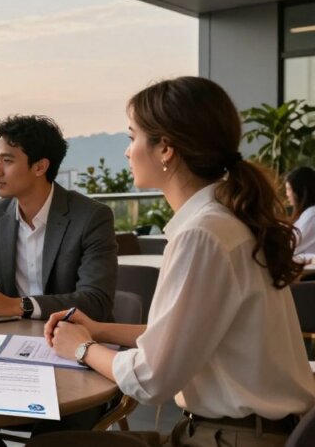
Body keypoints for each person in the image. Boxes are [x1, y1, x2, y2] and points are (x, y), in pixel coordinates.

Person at [45, 77, 315, 447]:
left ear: (166, 149)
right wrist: (97, 329)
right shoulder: (227, 220)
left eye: (132, 137)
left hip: (229, 438)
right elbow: (180, 338)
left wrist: (81, 349)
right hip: (247, 431)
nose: (127, 152)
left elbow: (151, 378)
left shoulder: (202, 234)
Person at [0, 115, 118, 446]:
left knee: (53, 438)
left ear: (40, 167)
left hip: (77, 356)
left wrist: (17, 305)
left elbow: (96, 300)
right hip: (12, 354)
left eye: (7, 161)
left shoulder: (90, 217)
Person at [286, 165, 315, 257]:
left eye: (289, 189)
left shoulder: (311, 214)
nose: (287, 194)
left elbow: (291, 245)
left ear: (299, 191)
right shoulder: (308, 213)